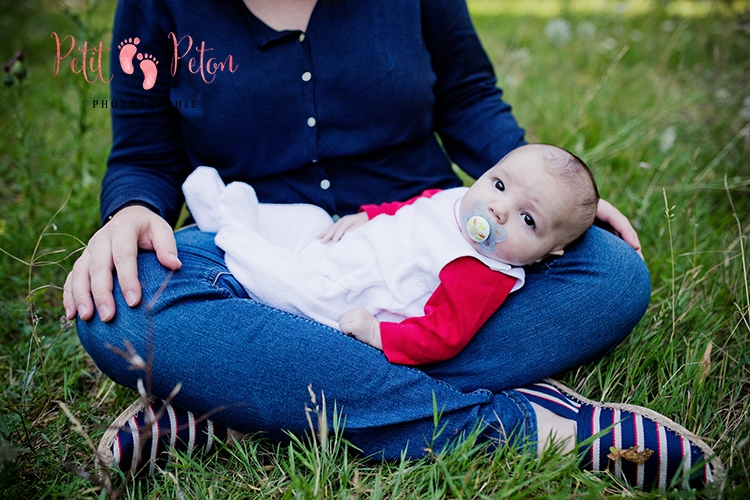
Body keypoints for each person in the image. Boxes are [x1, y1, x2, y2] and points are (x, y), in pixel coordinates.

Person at [64, 0, 722, 490]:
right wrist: (130, 211)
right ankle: (528, 425)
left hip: (430, 255)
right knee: (121, 306)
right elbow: (144, 154)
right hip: (265, 250)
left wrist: (535, 202)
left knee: (612, 273)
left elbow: (467, 96)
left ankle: (237, 399)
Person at [182, 144, 598, 365]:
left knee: (292, 287)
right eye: (500, 185)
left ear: (552, 250)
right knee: (310, 218)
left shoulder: (481, 271)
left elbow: (442, 336)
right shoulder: (464, 197)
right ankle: (232, 211)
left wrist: (379, 334)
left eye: (527, 220)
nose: (498, 209)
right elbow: (422, 204)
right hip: (342, 246)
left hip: (352, 292)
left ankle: (233, 236)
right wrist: (369, 216)